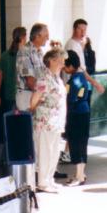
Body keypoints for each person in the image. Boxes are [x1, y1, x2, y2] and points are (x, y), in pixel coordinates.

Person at [29, 47, 67, 193]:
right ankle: (43, 182)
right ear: (51, 61)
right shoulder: (44, 78)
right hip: (46, 122)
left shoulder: (57, 78)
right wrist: (40, 108)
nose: (63, 63)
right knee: (45, 152)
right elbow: (33, 101)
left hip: (57, 122)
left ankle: (50, 179)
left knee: (55, 151)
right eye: (60, 60)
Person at [63, 50, 90, 186]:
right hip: (83, 113)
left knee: (76, 143)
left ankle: (79, 176)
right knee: (82, 142)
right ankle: (81, 173)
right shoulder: (80, 78)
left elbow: (72, 99)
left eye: (65, 65)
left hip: (76, 114)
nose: (64, 68)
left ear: (71, 66)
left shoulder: (74, 81)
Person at [65, 19, 104, 95]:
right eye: (80, 29)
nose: (83, 33)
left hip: (79, 82)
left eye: (85, 30)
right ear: (74, 29)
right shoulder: (71, 45)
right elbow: (80, 69)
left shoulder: (78, 44)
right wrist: (95, 84)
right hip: (74, 83)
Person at [16, 22, 49, 111]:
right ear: (38, 36)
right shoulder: (24, 51)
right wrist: (46, 92)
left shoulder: (40, 53)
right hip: (27, 96)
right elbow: (30, 81)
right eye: (46, 36)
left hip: (37, 94)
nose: (48, 38)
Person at [0, 27, 27, 112]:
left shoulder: (4, 55)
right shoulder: (24, 55)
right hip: (22, 95)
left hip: (8, 95)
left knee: (10, 121)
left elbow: (0, 76)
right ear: (23, 38)